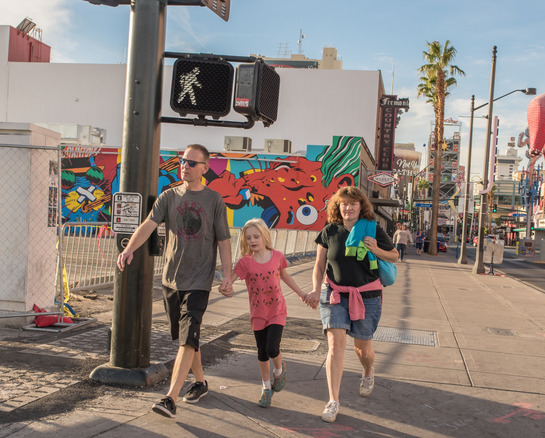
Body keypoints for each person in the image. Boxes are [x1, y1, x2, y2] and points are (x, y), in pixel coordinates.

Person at [117, 144, 234, 419]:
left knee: (187, 338)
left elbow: (224, 240)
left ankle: (171, 398)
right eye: (183, 161)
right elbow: (148, 224)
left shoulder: (214, 200)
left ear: (205, 168)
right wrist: (129, 248)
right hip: (171, 280)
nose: (185, 166)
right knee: (186, 339)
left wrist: (227, 275)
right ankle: (201, 382)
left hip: (199, 281)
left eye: (192, 163)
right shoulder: (168, 196)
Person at [310, 186, 398, 423]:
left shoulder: (373, 228)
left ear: (361, 206)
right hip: (335, 295)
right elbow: (319, 265)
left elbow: (394, 256)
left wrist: (376, 249)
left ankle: (368, 371)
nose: (348, 208)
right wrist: (316, 289)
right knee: (335, 347)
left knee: (363, 350)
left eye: (353, 204)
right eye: (344, 204)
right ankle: (333, 401)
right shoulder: (329, 231)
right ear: (338, 207)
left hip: (367, 297)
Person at [229, 218, 317, 408]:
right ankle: (266, 387)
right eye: (248, 237)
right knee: (261, 352)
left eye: (256, 236)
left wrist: (302, 294)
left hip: (277, 311)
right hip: (258, 313)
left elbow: (285, 275)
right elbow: (231, 280)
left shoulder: (277, 256)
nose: (253, 240)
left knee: (272, 348)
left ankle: (279, 369)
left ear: (264, 236)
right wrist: (226, 286)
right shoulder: (245, 262)